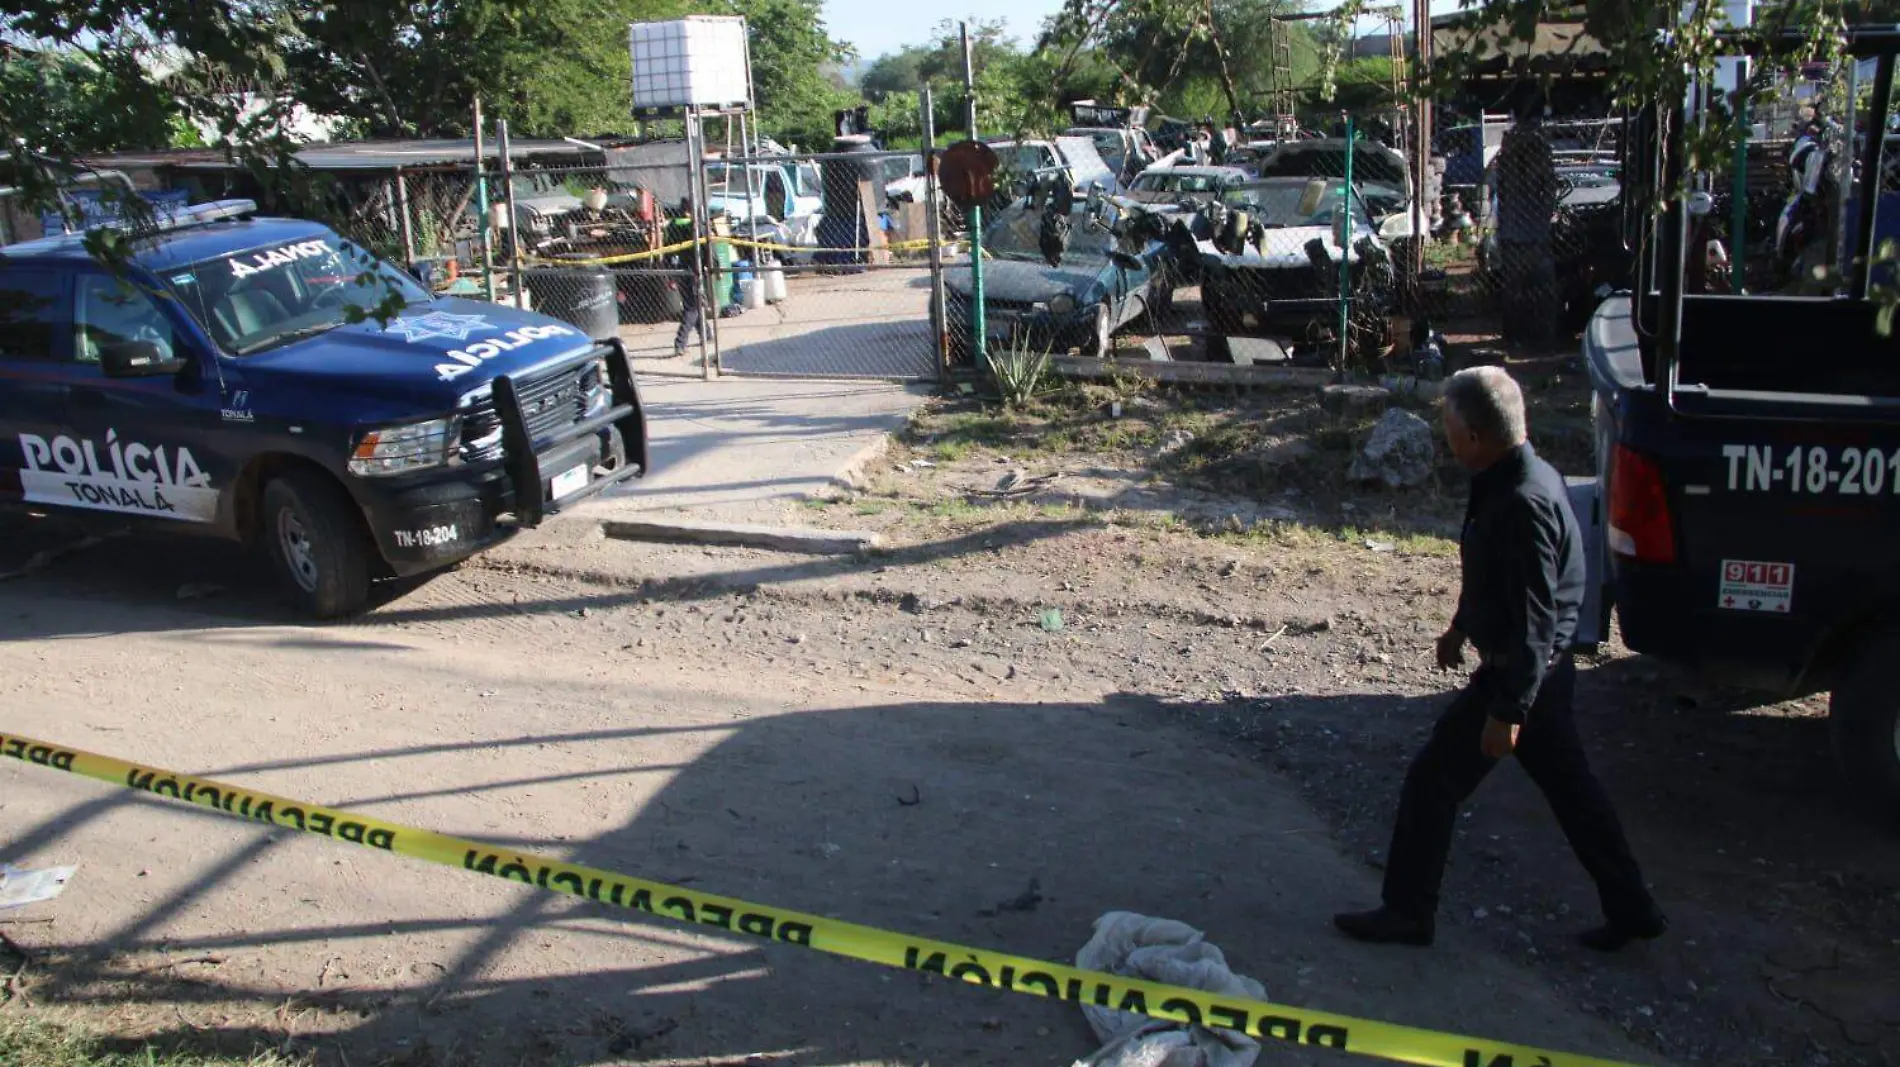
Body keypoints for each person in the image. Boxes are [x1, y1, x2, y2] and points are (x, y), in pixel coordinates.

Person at [1334, 367, 1667, 954]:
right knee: (1575, 797)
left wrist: (1510, 707)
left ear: (1473, 434)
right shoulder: (1511, 477)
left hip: (1523, 677)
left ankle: (1408, 913)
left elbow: (1537, 616)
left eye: (1449, 427)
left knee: (1432, 783)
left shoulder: (1522, 501)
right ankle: (1633, 907)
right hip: (1532, 675)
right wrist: (1461, 627)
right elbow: (1497, 580)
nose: (1445, 437)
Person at [1492, 109, 1560, 350]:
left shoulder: (1506, 152)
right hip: (1533, 232)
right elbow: (1549, 188)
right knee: (1541, 287)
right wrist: (1545, 214)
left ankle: (1517, 337)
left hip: (1513, 231)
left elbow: (1500, 190)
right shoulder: (1540, 150)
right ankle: (1540, 337)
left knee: (1515, 289)